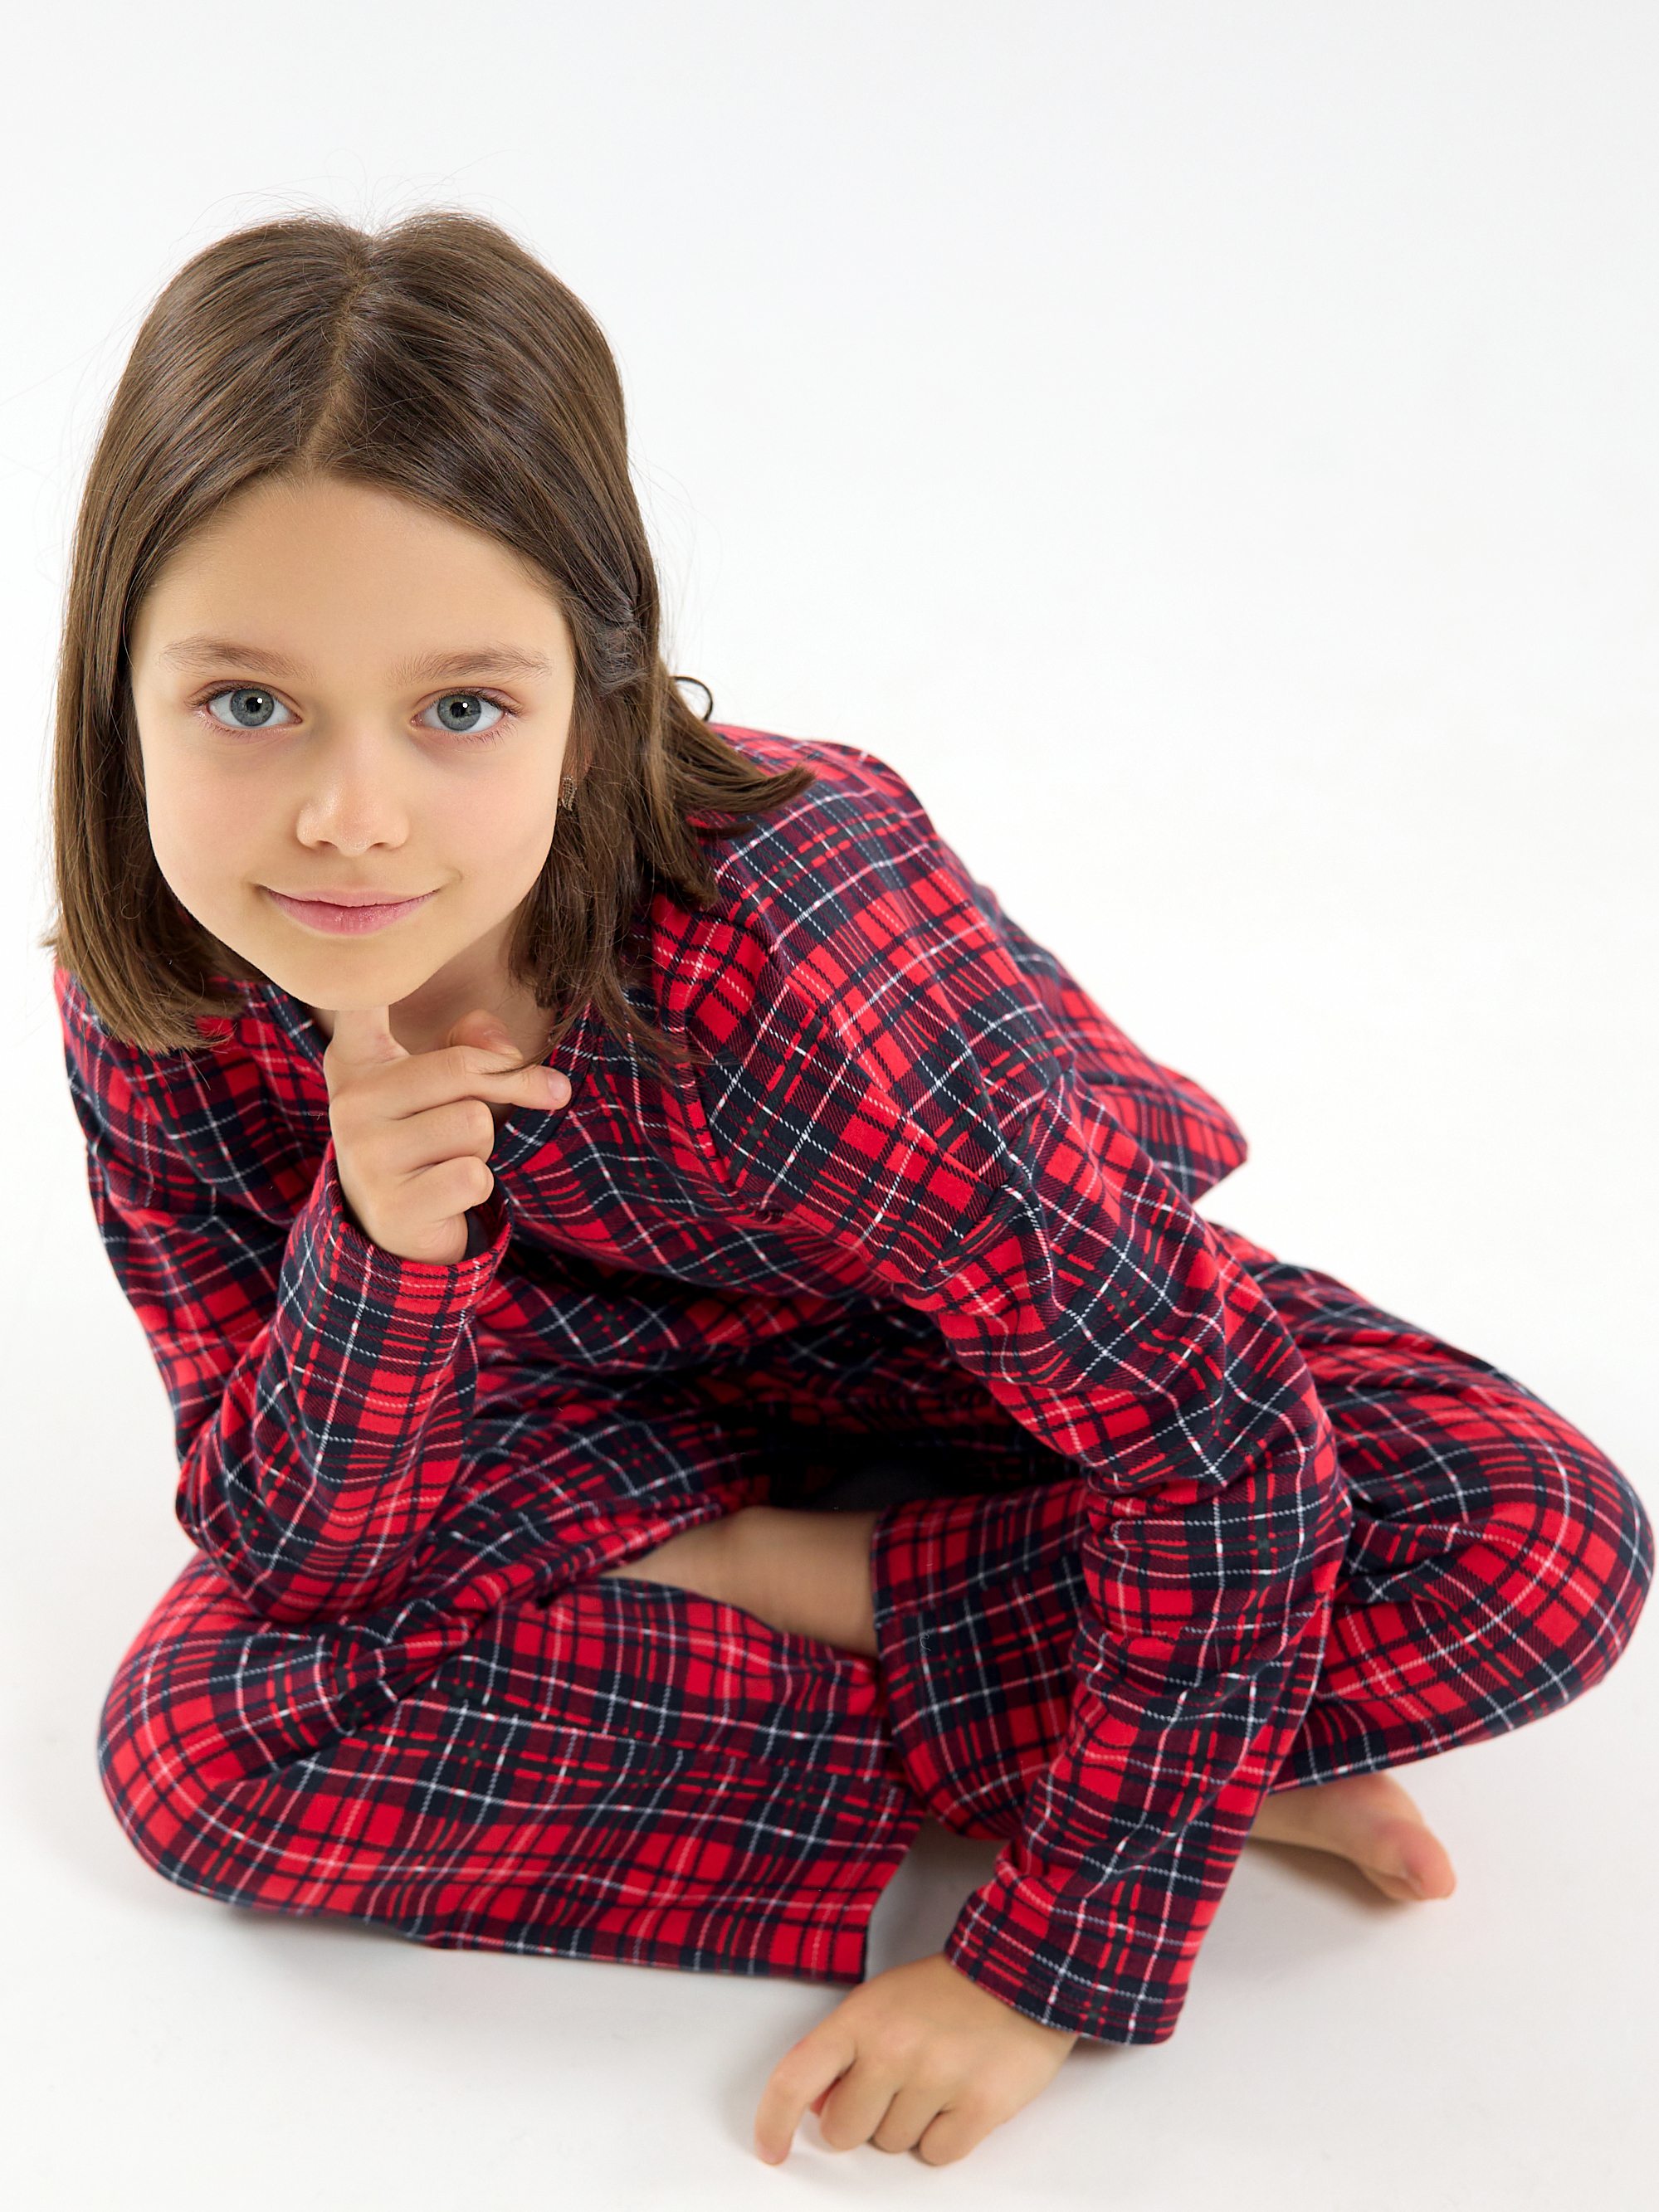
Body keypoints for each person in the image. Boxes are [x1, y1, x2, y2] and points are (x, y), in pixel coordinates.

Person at [49, 209, 1651, 2170]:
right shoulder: (165, 975)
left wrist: (1046, 1957)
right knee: (205, 1749)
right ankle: (1166, 1735)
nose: (348, 818)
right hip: (583, 1438)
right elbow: (298, 1552)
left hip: (978, 1399)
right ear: (118, 692)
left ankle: (1027, 1701)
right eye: (247, 705)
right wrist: (382, 1248)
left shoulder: (800, 943)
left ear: (595, 696)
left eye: (461, 709)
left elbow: (1219, 1451)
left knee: (1534, 1543)